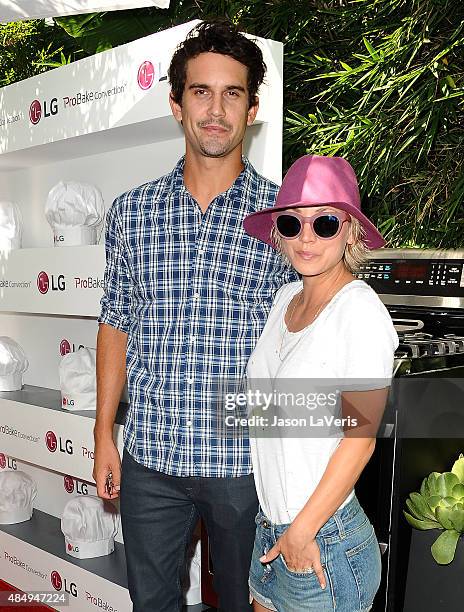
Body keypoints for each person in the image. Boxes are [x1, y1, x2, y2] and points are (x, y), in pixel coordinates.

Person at [93, 19, 297, 612]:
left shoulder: (286, 220)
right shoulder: (133, 211)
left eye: (232, 93)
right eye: (201, 92)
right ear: (176, 104)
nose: (215, 109)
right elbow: (115, 322)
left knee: (245, 604)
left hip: (245, 461)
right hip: (150, 458)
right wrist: (104, 431)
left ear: (252, 108)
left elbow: (307, 340)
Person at [242, 155, 399, 612]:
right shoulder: (285, 297)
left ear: (350, 229)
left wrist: (301, 531)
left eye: (324, 222)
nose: (306, 237)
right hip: (271, 531)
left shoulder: (360, 311)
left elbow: (359, 440)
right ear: (277, 232)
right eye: (292, 224)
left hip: (322, 541)